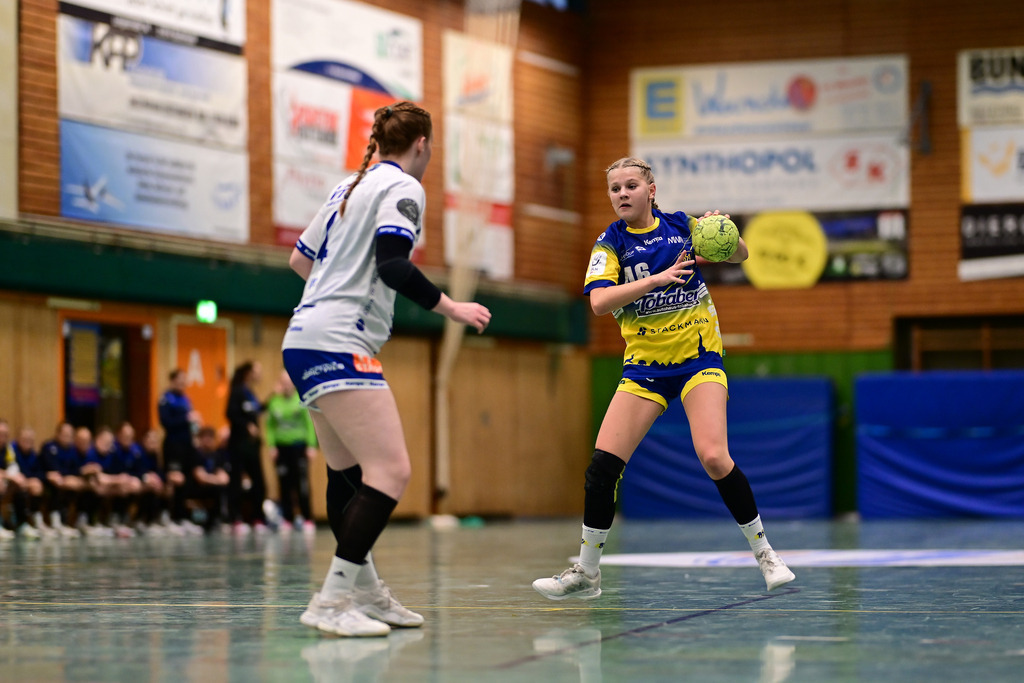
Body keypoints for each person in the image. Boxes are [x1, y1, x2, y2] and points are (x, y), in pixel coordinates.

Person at [532, 157, 795, 600]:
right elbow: (599, 302)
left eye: (631, 185)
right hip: (645, 370)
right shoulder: (610, 243)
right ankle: (587, 573)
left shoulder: (681, 226)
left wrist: (725, 234)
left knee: (713, 456)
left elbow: (740, 254)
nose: (622, 194)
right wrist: (657, 279)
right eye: (615, 188)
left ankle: (766, 554)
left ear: (651, 189)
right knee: (601, 469)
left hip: (698, 359)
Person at [282, 101, 491, 637]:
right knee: (391, 473)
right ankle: (331, 602)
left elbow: (299, 262)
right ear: (420, 144)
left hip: (302, 337)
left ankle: (367, 593)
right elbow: (393, 264)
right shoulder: (403, 187)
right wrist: (453, 307)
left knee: (347, 475)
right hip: (339, 340)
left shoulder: (344, 189)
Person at [266, 370, 318, 534]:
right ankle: (287, 519)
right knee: (284, 484)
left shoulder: (301, 400)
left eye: (289, 381)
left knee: (301, 484)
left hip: (299, 447)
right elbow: (270, 427)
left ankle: (307, 518)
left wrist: (311, 445)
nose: (286, 384)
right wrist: (271, 446)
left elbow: (310, 424)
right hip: (282, 449)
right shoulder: (274, 402)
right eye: (283, 381)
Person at [225, 361, 268, 534]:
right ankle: (235, 518)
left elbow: (257, 410)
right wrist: (246, 426)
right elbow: (230, 413)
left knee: (259, 482)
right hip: (238, 445)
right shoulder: (237, 391)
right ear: (249, 373)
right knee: (236, 481)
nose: (260, 374)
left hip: (252, 446)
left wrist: (273, 397)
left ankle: (258, 518)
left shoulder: (250, 393)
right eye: (257, 371)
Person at [158, 369, 201, 530]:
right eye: (180, 379)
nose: (183, 383)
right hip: (173, 444)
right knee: (174, 480)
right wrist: (186, 418)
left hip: (187, 445)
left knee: (186, 480)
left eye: (185, 380)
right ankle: (170, 517)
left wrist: (195, 429)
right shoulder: (166, 399)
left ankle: (182, 517)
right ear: (173, 380)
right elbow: (166, 422)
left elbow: (191, 423)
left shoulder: (185, 399)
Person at [40, 422, 84, 537]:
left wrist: (71, 478)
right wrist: (64, 478)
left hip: (66, 480)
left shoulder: (73, 450)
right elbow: (51, 469)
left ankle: (71, 520)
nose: (67, 437)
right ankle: (55, 520)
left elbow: (76, 469)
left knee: (78, 484)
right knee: (57, 482)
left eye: (70, 435)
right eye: (65, 434)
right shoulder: (49, 447)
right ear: (58, 434)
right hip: (48, 480)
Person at [9, 426, 54, 538]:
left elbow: (40, 472)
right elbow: (13, 469)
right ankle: (21, 523)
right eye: (24, 439)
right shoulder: (11, 450)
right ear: (18, 438)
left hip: (24, 480)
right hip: (11, 482)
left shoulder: (32, 454)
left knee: (37, 484)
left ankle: (36, 520)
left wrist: (30, 478)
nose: (27, 442)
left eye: (30, 440)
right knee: (20, 484)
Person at [185, 426, 230, 532]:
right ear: (200, 439)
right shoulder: (196, 454)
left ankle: (218, 520)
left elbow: (225, 477)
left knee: (221, 489)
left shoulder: (216, 455)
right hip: (196, 488)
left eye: (210, 437)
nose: (208, 440)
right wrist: (216, 480)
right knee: (216, 489)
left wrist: (214, 479)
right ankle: (201, 522)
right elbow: (201, 477)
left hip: (211, 487)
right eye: (205, 437)